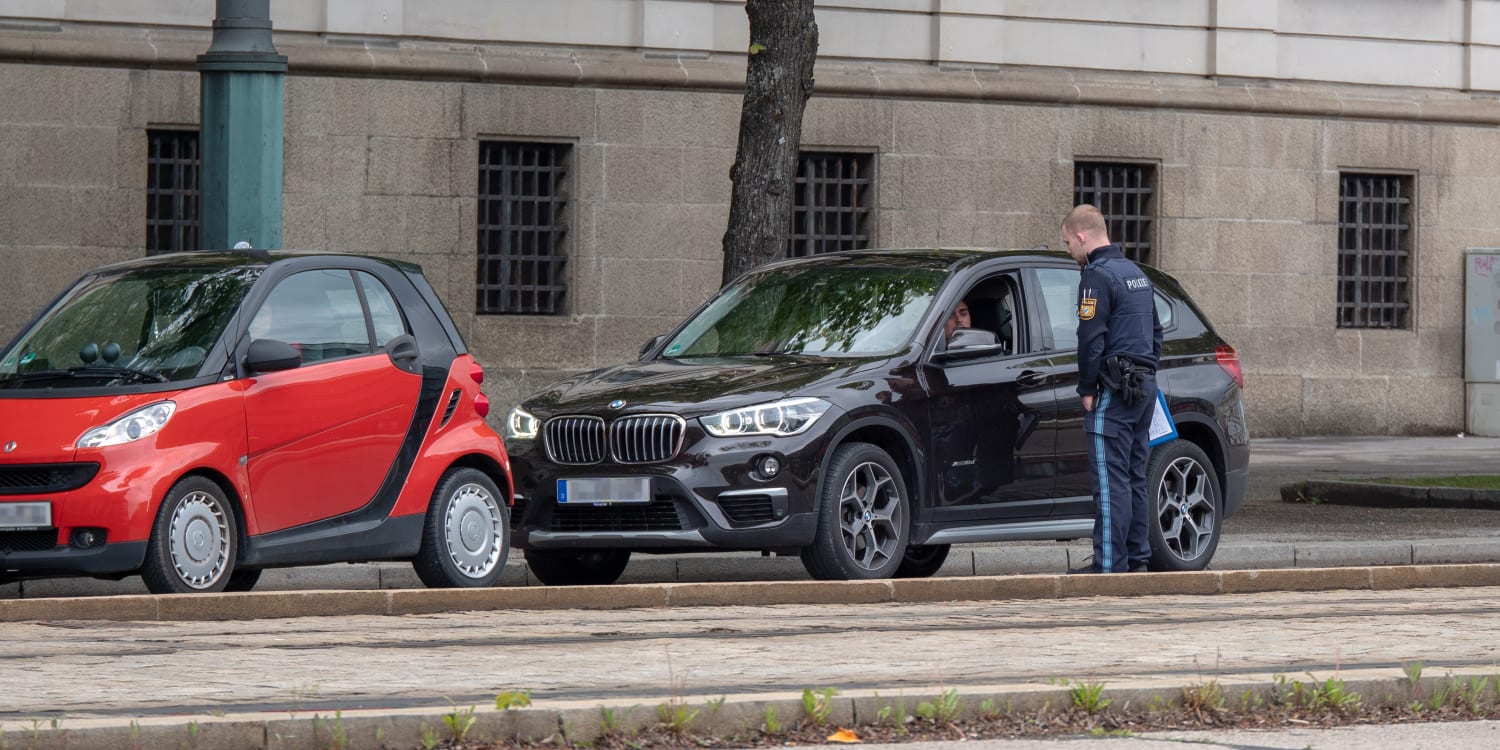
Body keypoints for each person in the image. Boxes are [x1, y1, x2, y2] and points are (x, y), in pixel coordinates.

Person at [1060, 204, 1162, 574]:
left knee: (1109, 480)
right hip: (1143, 388)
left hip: (1114, 392)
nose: (1069, 250)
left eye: (1068, 242)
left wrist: (1087, 386)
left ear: (1083, 237)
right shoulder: (1136, 273)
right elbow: (1156, 332)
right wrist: (1147, 371)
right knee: (1135, 476)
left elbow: (1090, 338)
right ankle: (1136, 559)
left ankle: (1108, 564)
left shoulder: (1096, 276)